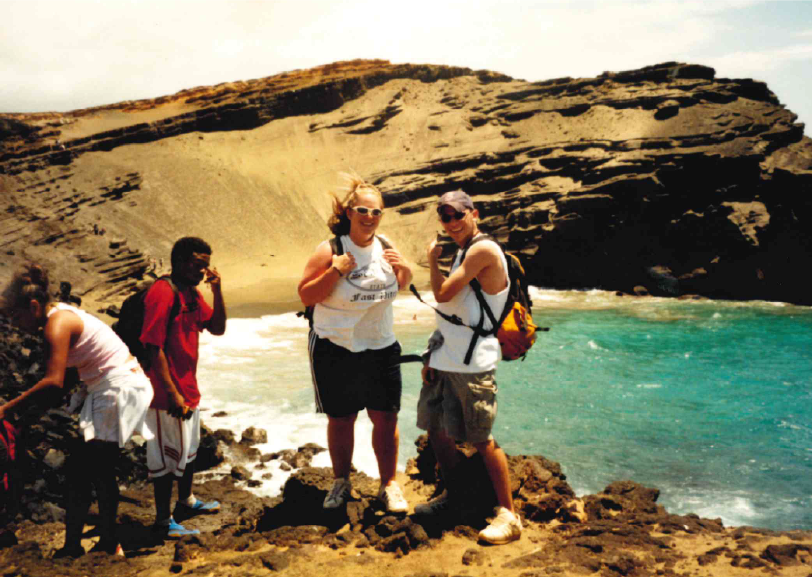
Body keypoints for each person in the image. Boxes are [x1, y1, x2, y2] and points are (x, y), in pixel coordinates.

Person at [0, 263, 154, 558]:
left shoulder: (56, 326)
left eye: (16, 317)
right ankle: (103, 542)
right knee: (97, 470)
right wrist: (28, 417)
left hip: (116, 388)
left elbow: (54, 381)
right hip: (117, 385)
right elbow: (68, 376)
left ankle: (87, 545)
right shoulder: (59, 314)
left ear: (33, 306)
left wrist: (6, 408)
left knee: (84, 471)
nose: (17, 325)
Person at [298, 175, 413, 513]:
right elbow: (306, 294)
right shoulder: (331, 249)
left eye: (376, 212)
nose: (369, 217)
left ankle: (389, 485)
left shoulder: (386, 245)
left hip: (380, 345)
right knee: (342, 418)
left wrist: (405, 271)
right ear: (349, 212)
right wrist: (335, 272)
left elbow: (400, 284)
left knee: (386, 418)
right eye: (362, 210)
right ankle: (340, 482)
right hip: (336, 346)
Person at [415, 190, 522, 545]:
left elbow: (443, 294)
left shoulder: (482, 249)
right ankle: (455, 498)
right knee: (437, 430)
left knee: (480, 437)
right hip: (448, 357)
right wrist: (433, 355)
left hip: (474, 362)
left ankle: (509, 515)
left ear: (473, 213)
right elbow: (453, 311)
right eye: (444, 217)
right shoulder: (463, 250)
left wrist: (431, 260)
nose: (452, 223)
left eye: (457, 215)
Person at [140, 237, 226, 538]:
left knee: (188, 450)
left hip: (189, 387)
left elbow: (217, 328)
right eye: (198, 264)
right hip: (167, 395)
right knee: (165, 460)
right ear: (179, 262)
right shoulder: (163, 293)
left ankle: (186, 501)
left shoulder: (190, 293)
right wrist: (172, 393)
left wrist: (217, 290)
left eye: (205, 266)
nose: (203, 271)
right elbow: (153, 346)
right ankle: (163, 522)